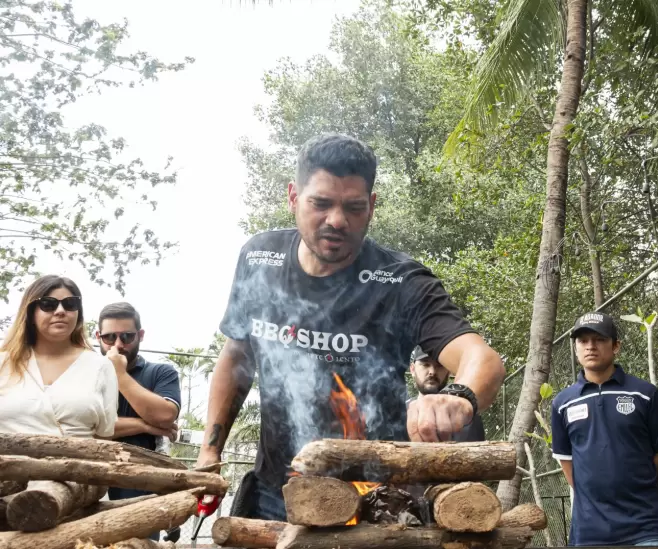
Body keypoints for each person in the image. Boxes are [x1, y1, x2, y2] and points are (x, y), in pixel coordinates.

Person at [195, 134, 505, 521]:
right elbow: (236, 357)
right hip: (277, 493)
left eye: (354, 207)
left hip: (374, 498)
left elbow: (483, 359)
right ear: (293, 197)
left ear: (372, 207)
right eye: (320, 203)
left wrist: (458, 397)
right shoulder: (259, 258)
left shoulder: (401, 282)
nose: (337, 220)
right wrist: (211, 450)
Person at [551, 312, 658, 547]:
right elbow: (566, 460)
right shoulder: (562, 403)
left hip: (643, 525)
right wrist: (595, 489)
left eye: (599, 339)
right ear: (576, 348)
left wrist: (635, 479)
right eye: (583, 341)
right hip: (589, 530)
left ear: (616, 346)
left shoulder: (645, 394)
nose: (591, 347)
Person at [96, 302, 181, 541]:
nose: (118, 345)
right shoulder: (86, 372)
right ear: (98, 337)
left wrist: (119, 375)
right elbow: (90, 429)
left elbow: (164, 416)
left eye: (127, 336)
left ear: (140, 335)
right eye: (109, 337)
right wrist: (144, 425)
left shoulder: (161, 373)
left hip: (140, 487)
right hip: (89, 482)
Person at [0, 275, 118, 438]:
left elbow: (105, 434)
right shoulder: (3, 363)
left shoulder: (100, 366)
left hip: (79, 462)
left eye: (70, 304)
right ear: (30, 312)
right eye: (48, 304)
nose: (61, 311)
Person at [408, 346, 485, 442]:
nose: (432, 371)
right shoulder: (400, 414)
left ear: (448, 371)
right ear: (412, 369)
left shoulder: (467, 415)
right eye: (425, 364)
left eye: (439, 366)